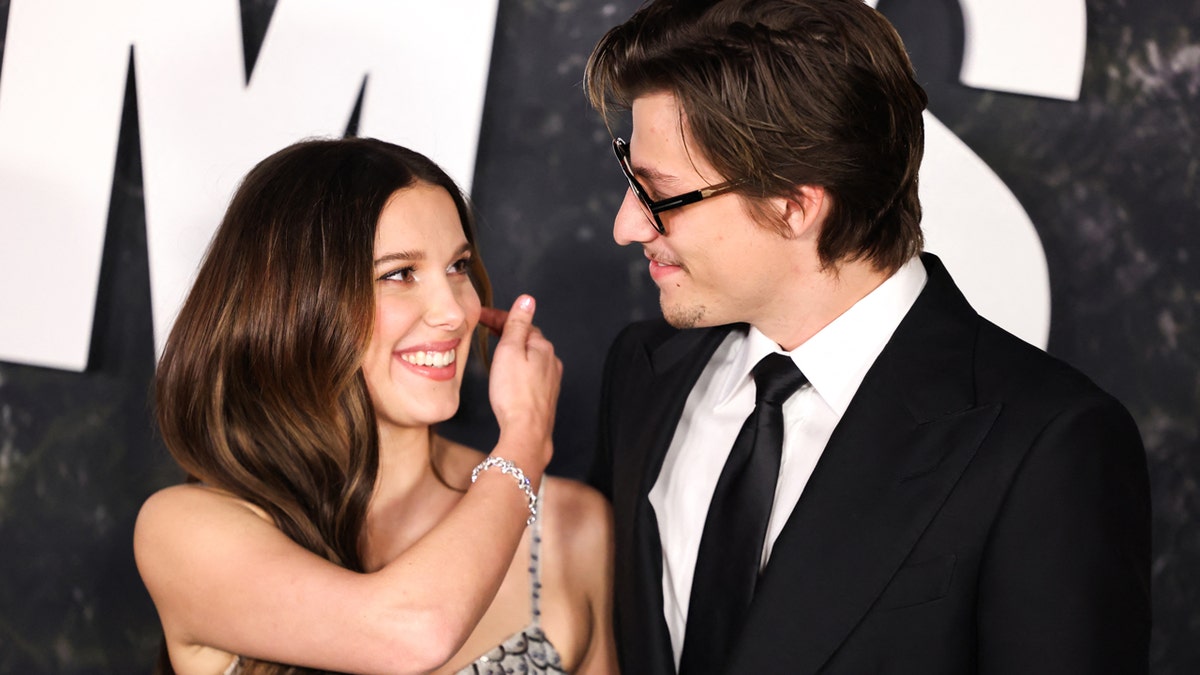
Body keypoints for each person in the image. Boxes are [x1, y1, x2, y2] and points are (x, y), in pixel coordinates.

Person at [584, 1, 1151, 673]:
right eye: (630, 175)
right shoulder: (645, 373)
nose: (626, 225)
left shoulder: (1046, 445)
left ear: (794, 204)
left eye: (658, 193)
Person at [134, 138, 617, 675]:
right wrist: (525, 439)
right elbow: (412, 633)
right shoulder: (185, 532)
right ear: (294, 304)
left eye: (457, 267)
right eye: (399, 274)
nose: (455, 313)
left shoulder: (570, 526)